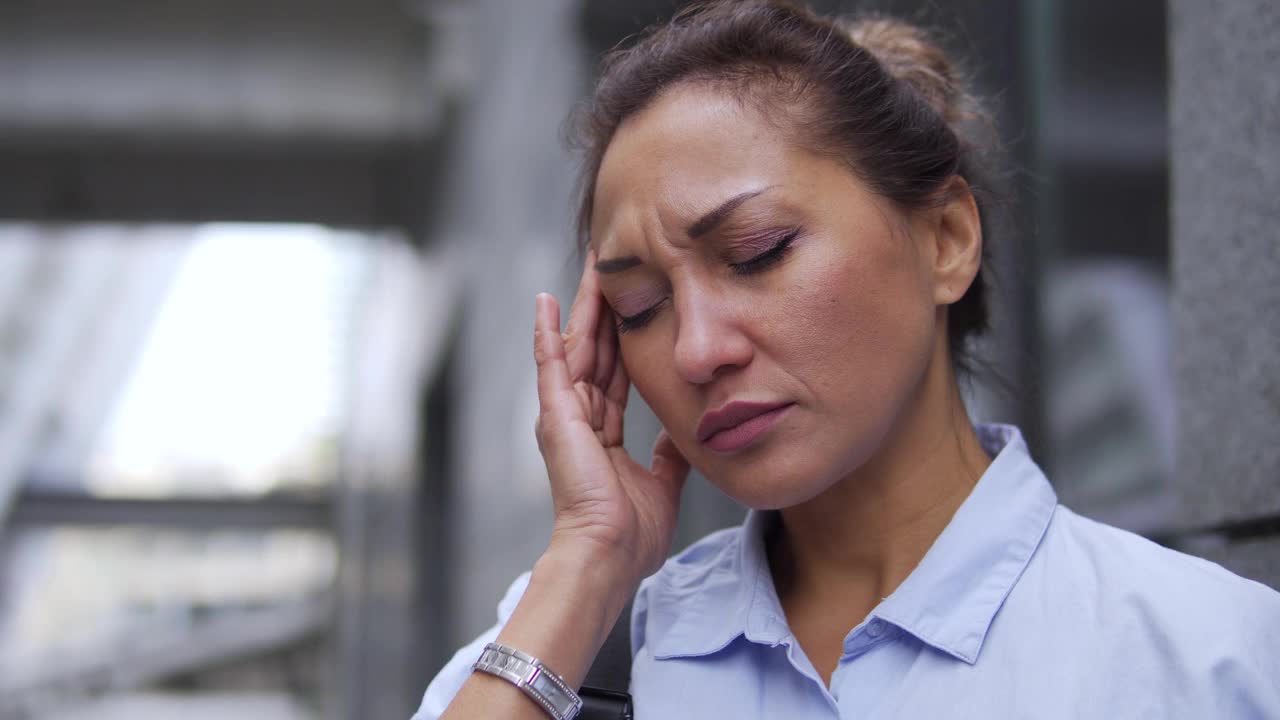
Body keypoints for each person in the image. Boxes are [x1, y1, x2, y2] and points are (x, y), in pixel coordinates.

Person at [415, 1, 1280, 717]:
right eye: (642, 307)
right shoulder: (570, 651)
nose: (698, 350)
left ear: (946, 239)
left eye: (756, 252)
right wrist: (588, 559)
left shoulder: (1212, 659)